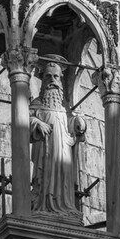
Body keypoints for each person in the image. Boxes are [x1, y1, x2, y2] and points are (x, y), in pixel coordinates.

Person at [30, 55, 86, 215]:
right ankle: (43, 204)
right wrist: (38, 123)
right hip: (45, 151)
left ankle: (65, 205)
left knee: (63, 180)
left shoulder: (64, 107)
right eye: (48, 76)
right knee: (46, 177)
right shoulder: (36, 104)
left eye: (56, 77)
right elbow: (25, 120)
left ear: (61, 80)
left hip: (63, 152)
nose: (52, 80)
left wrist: (79, 123)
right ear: (42, 80)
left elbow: (71, 124)